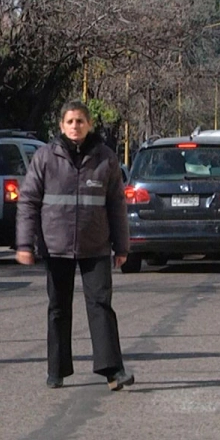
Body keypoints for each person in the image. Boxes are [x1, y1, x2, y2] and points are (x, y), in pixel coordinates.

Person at [15, 100, 134, 391]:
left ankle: (112, 370)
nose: (75, 126)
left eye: (80, 121)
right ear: (61, 126)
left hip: (95, 246)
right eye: (70, 121)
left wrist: (122, 246)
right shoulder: (45, 157)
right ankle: (56, 370)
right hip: (56, 246)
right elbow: (28, 201)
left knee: (101, 306)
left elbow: (117, 205)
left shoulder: (105, 159)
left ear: (89, 124)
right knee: (58, 308)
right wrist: (24, 244)